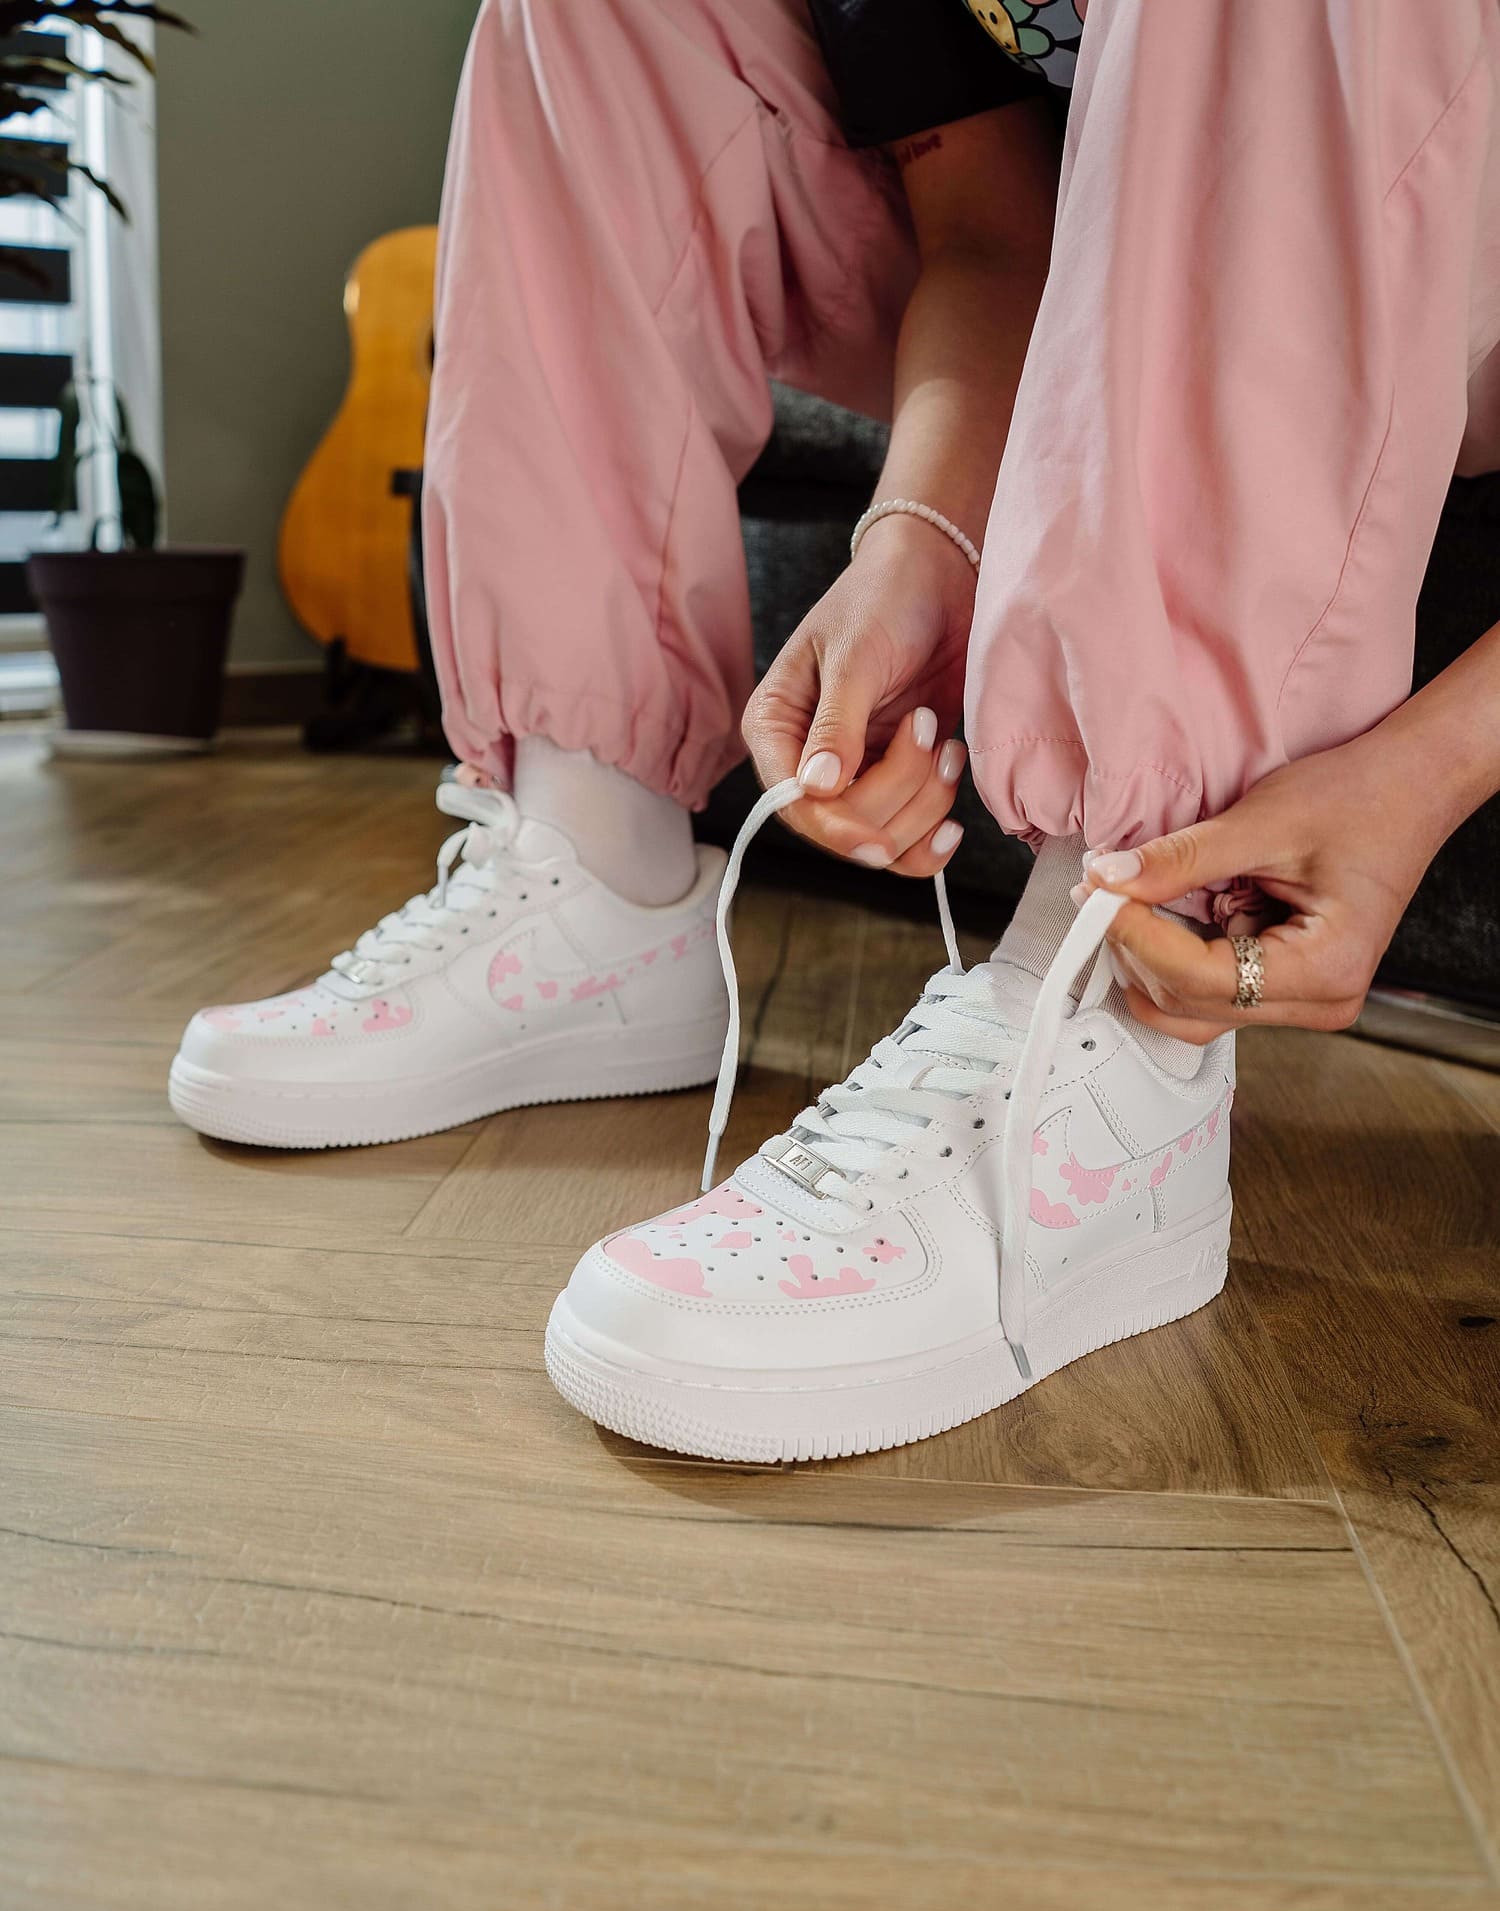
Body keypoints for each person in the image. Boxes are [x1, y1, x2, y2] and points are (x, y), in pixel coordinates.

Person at [172, 1, 1500, 1465]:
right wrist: (913, 544)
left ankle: (1116, 1016)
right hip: (1131, 272)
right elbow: (993, 233)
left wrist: (1431, 765)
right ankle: (591, 861)